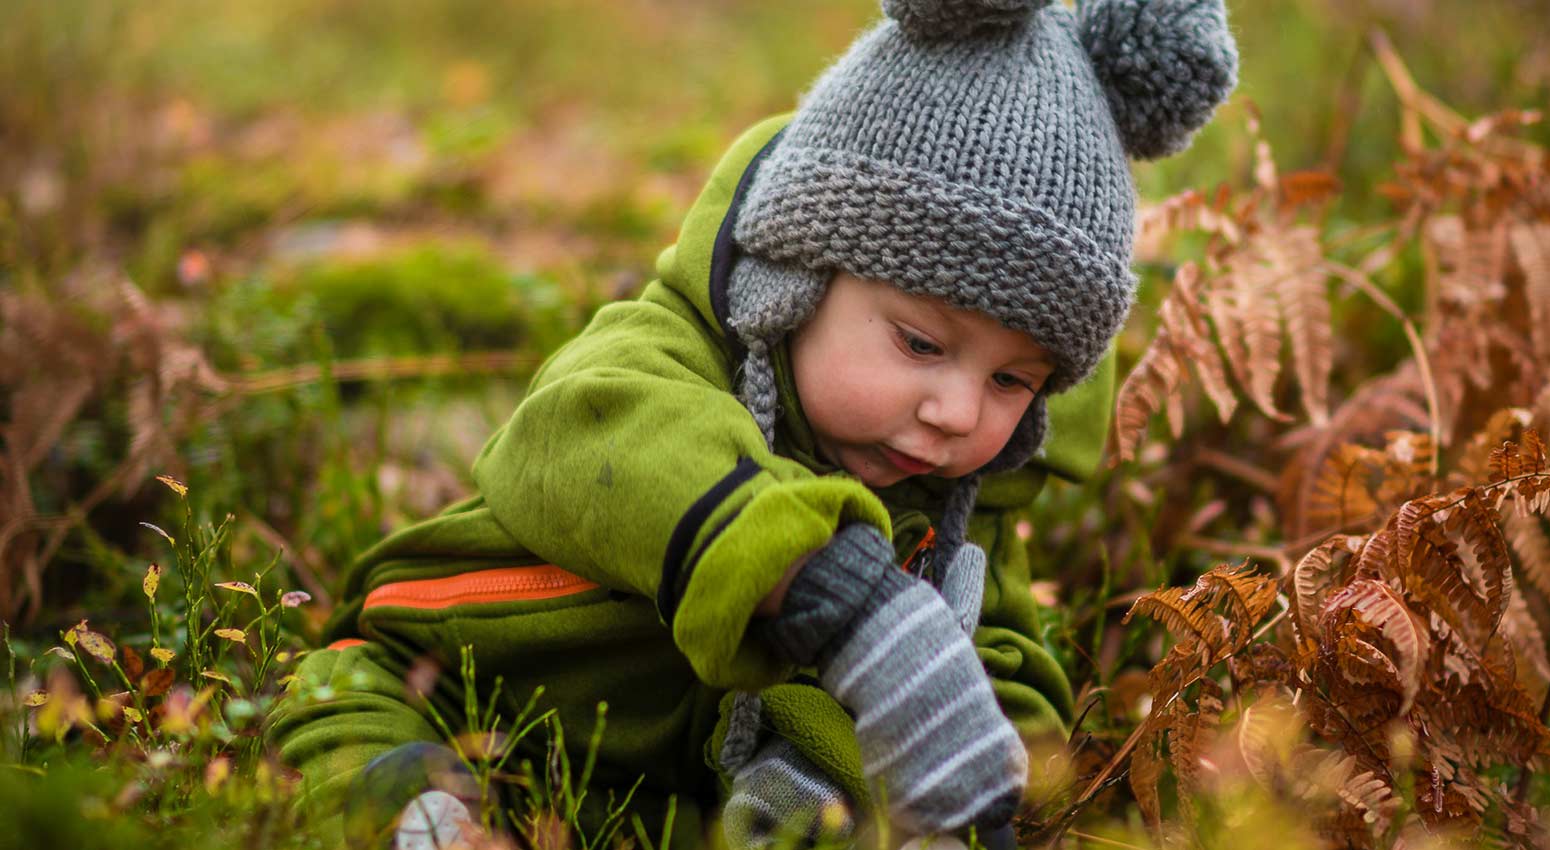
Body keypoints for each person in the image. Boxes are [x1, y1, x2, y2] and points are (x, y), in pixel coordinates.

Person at [266, 1, 1237, 847]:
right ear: (796, 277)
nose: (954, 412)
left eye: (1012, 382)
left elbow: (999, 660)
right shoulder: (663, 356)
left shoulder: (949, 506)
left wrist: (980, 775)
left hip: (662, 788)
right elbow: (579, 435)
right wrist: (824, 583)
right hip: (454, 671)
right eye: (918, 345)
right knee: (359, 725)